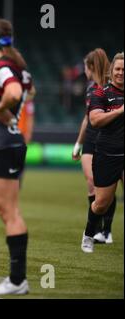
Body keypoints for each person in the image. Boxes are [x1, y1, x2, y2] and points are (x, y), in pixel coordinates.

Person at [0, 18, 34, 295]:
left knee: (9, 213)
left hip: (2, 142)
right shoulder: (19, 66)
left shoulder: (3, 66)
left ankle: (16, 280)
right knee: (12, 212)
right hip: (13, 141)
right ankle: (17, 279)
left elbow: (13, 93)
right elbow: (27, 90)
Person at [81, 52, 124, 253]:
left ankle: (106, 233)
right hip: (107, 154)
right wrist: (120, 110)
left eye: (124, 70)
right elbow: (95, 120)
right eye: (118, 69)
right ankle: (89, 234)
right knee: (101, 204)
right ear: (111, 71)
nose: (121, 73)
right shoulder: (101, 93)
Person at [73, 49, 114, 244]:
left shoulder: (111, 87)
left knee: (104, 185)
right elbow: (86, 118)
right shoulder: (90, 88)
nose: (84, 71)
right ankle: (96, 229)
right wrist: (78, 143)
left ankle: (106, 230)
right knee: (91, 182)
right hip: (90, 139)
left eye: (85, 66)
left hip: (107, 139)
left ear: (91, 67)